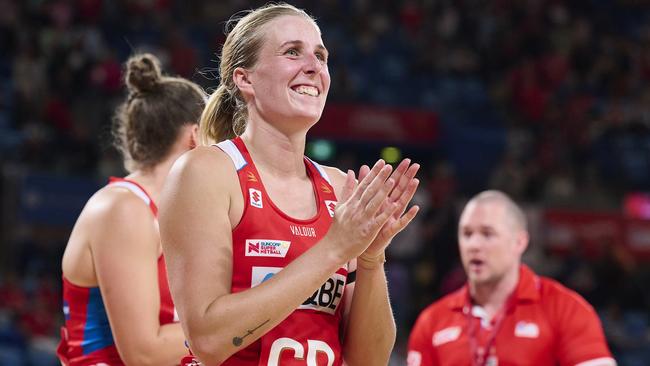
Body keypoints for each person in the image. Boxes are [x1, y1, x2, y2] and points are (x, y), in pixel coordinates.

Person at [158, 3, 420, 366]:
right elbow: (209, 339)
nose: (313, 66)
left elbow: (369, 360)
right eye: (292, 52)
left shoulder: (341, 187)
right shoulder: (206, 172)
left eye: (320, 55)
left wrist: (370, 259)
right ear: (245, 79)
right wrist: (333, 249)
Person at [58, 53, 206, 365]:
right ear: (196, 136)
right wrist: (242, 324)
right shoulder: (124, 208)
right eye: (217, 136)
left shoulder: (174, 214)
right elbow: (144, 353)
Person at [407, 190, 616, 366]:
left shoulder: (565, 308)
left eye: (487, 234)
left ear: (519, 242)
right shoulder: (432, 321)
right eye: (467, 234)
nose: (474, 245)